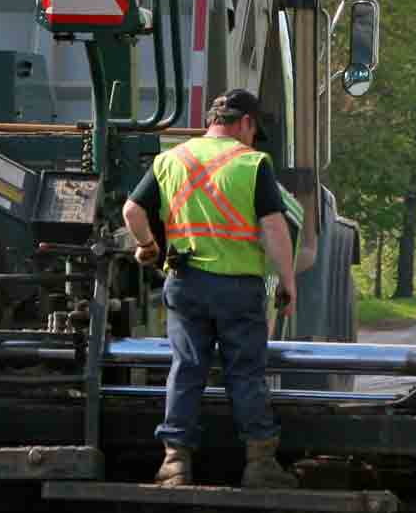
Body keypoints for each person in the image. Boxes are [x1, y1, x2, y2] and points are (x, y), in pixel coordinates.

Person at [122, 89, 300, 490]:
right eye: (255, 131)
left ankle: (175, 464)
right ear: (246, 123)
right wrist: (287, 282)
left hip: (185, 284)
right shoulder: (252, 163)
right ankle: (259, 463)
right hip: (239, 288)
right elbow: (274, 227)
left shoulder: (170, 160)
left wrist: (149, 246)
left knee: (185, 369)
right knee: (245, 374)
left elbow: (132, 212)